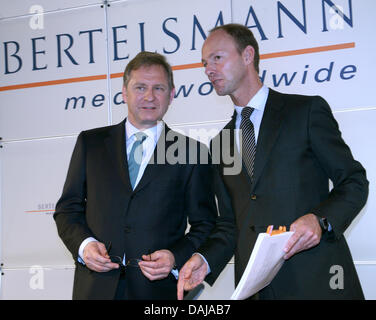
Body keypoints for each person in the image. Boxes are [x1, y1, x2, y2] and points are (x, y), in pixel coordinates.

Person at [177, 23, 369, 300]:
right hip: (258, 292)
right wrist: (204, 261)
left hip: (319, 283)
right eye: (205, 63)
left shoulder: (305, 112)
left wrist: (319, 219)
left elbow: (353, 181)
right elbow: (230, 224)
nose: (209, 69)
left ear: (247, 55)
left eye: (217, 58)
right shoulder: (220, 143)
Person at [54, 51, 220, 300]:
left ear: (172, 95)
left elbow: (205, 224)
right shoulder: (91, 143)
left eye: (159, 88)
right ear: (124, 92)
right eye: (140, 87)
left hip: (158, 293)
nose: (149, 97)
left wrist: (175, 256)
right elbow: (67, 210)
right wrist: (84, 245)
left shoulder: (192, 152)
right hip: (95, 290)